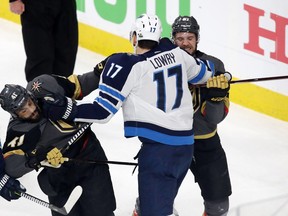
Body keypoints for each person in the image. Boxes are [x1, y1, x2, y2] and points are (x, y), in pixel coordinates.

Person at [40, 14, 218, 216]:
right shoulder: (177, 53)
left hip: (159, 153)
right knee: (159, 206)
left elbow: (101, 112)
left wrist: (64, 109)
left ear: (134, 37)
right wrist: (224, 77)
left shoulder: (127, 65)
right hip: (186, 148)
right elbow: (206, 73)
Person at [0, 71, 116, 216]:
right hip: (58, 174)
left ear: (30, 95)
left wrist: (103, 71)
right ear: (15, 114)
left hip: (89, 156)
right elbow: (10, 166)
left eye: (29, 103)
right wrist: (36, 156)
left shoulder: (44, 86)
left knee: (102, 212)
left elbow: (79, 84)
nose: (32, 110)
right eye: (24, 111)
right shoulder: (18, 130)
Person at [171, 16, 232, 216]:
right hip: (168, 141)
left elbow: (214, 119)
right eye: (180, 38)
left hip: (205, 142)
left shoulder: (213, 66)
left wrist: (216, 98)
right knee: (152, 200)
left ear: (197, 39)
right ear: (173, 39)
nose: (185, 43)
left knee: (219, 206)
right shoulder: (161, 65)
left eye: (190, 38)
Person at [9, 0, 78, 82]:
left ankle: (62, 90)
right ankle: (38, 92)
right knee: (39, 55)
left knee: (66, 53)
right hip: (35, 6)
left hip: (66, 5)